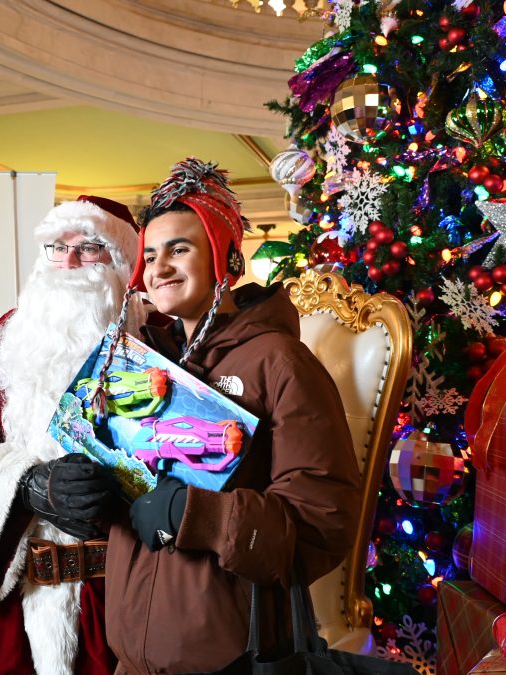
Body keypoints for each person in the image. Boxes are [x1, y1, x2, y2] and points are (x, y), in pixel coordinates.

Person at [101, 159, 361, 673]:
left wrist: (197, 515)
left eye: (180, 249)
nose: (160, 268)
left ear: (226, 259)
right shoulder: (138, 362)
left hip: (236, 659)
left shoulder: (280, 363)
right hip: (130, 659)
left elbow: (322, 524)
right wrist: (81, 484)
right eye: (150, 255)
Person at [0, 196, 144, 675]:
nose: (68, 261)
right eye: (57, 247)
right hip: (16, 604)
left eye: (89, 248)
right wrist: (29, 486)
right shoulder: (0, 343)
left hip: (121, 598)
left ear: (122, 264)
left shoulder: (155, 346)